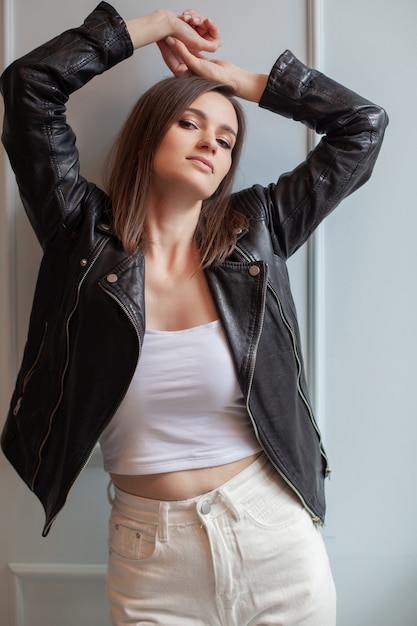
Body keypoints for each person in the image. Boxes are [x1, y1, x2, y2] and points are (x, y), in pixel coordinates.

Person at [0, 2, 388, 625]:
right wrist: (148, 30)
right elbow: (29, 86)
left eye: (226, 136)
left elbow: (363, 126)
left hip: (273, 537)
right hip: (149, 555)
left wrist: (235, 81)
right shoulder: (82, 232)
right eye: (188, 121)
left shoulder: (258, 228)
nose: (211, 140)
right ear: (149, 132)